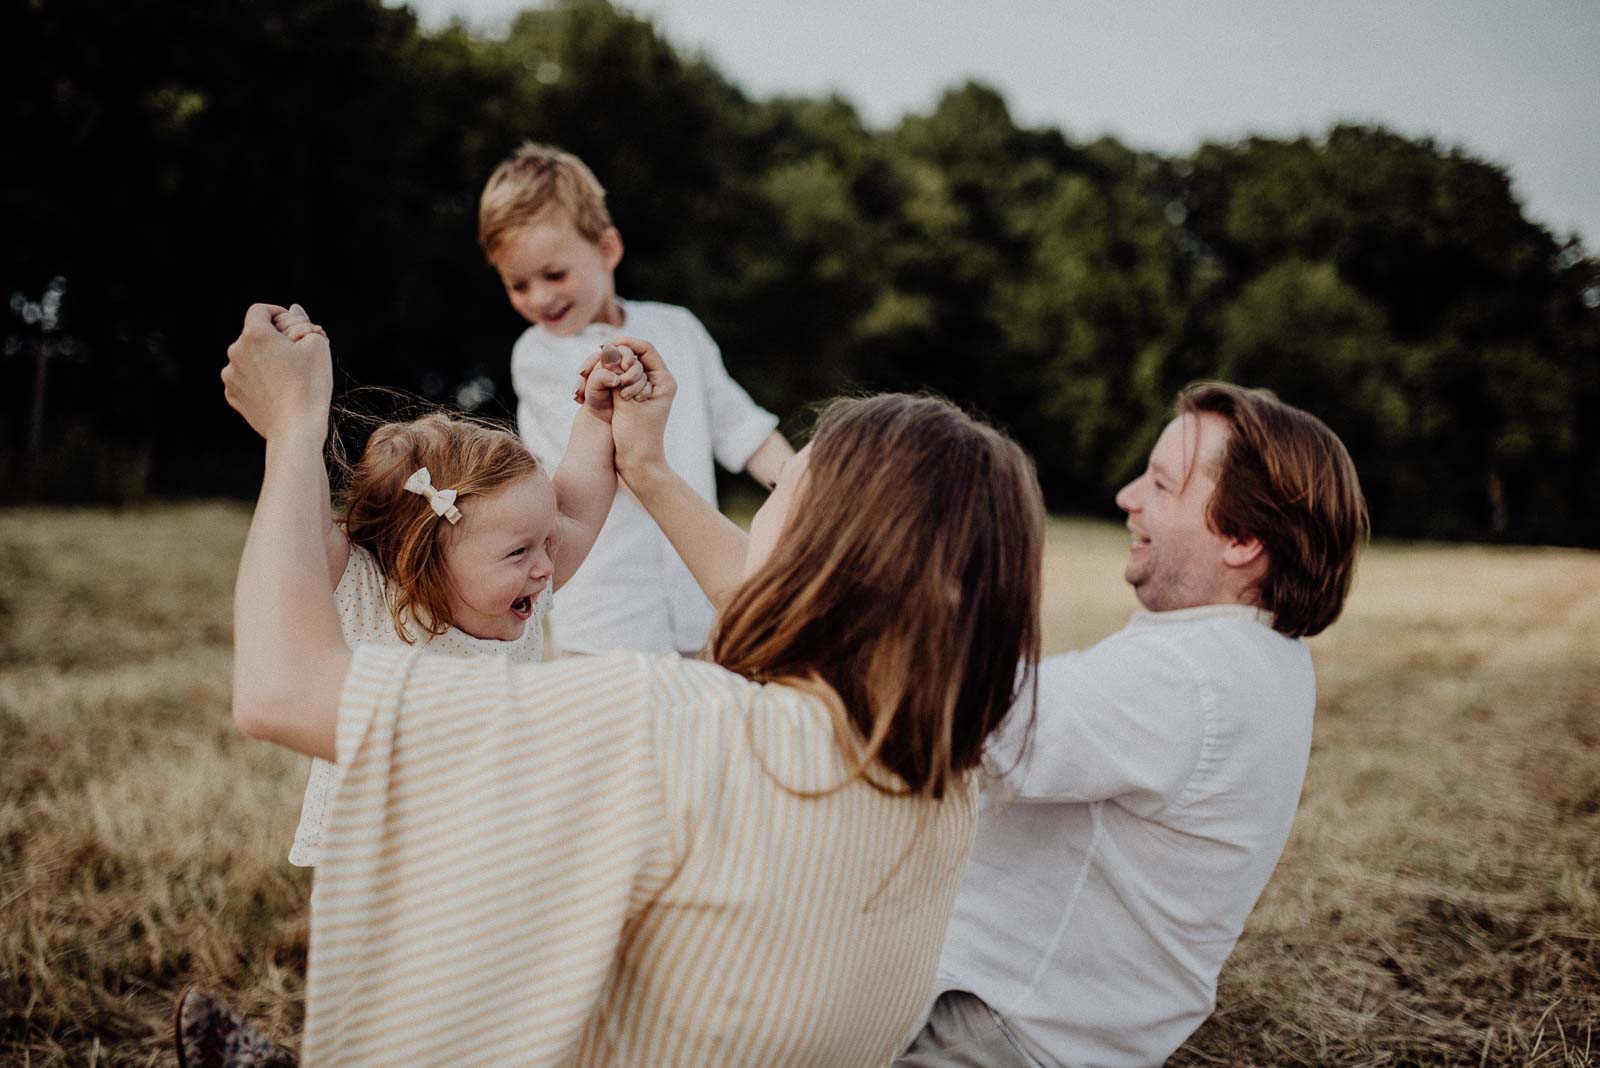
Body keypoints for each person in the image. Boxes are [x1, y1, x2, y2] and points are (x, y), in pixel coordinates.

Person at [217, 304, 1044, 1067]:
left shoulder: (666, 722)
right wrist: (642, 462)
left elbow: (279, 689)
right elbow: (774, 599)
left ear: (826, 553)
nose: (765, 491)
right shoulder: (943, 781)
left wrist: (293, 427)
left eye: (785, 485)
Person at [899, 383, 1368, 1068]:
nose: (1127, 496)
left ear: (1241, 538)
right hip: (1058, 1030)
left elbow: (945, 713)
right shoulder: (1265, 658)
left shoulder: (1190, 676)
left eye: (1161, 483)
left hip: (993, 1032)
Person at [257, 307, 648, 867]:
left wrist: (597, 410)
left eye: (546, 542)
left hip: (489, 845)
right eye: (519, 551)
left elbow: (581, 501)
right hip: (378, 853)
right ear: (420, 553)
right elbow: (300, 514)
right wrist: (296, 408)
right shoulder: (371, 594)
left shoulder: (524, 597)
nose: (545, 567)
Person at [479, 142, 794, 656]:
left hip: (704, 601)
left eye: (554, 274)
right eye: (518, 284)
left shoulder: (678, 328)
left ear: (607, 250)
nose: (539, 298)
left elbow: (742, 428)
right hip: (607, 614)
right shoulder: (536, 356)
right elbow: (598, 465)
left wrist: (811, 488)